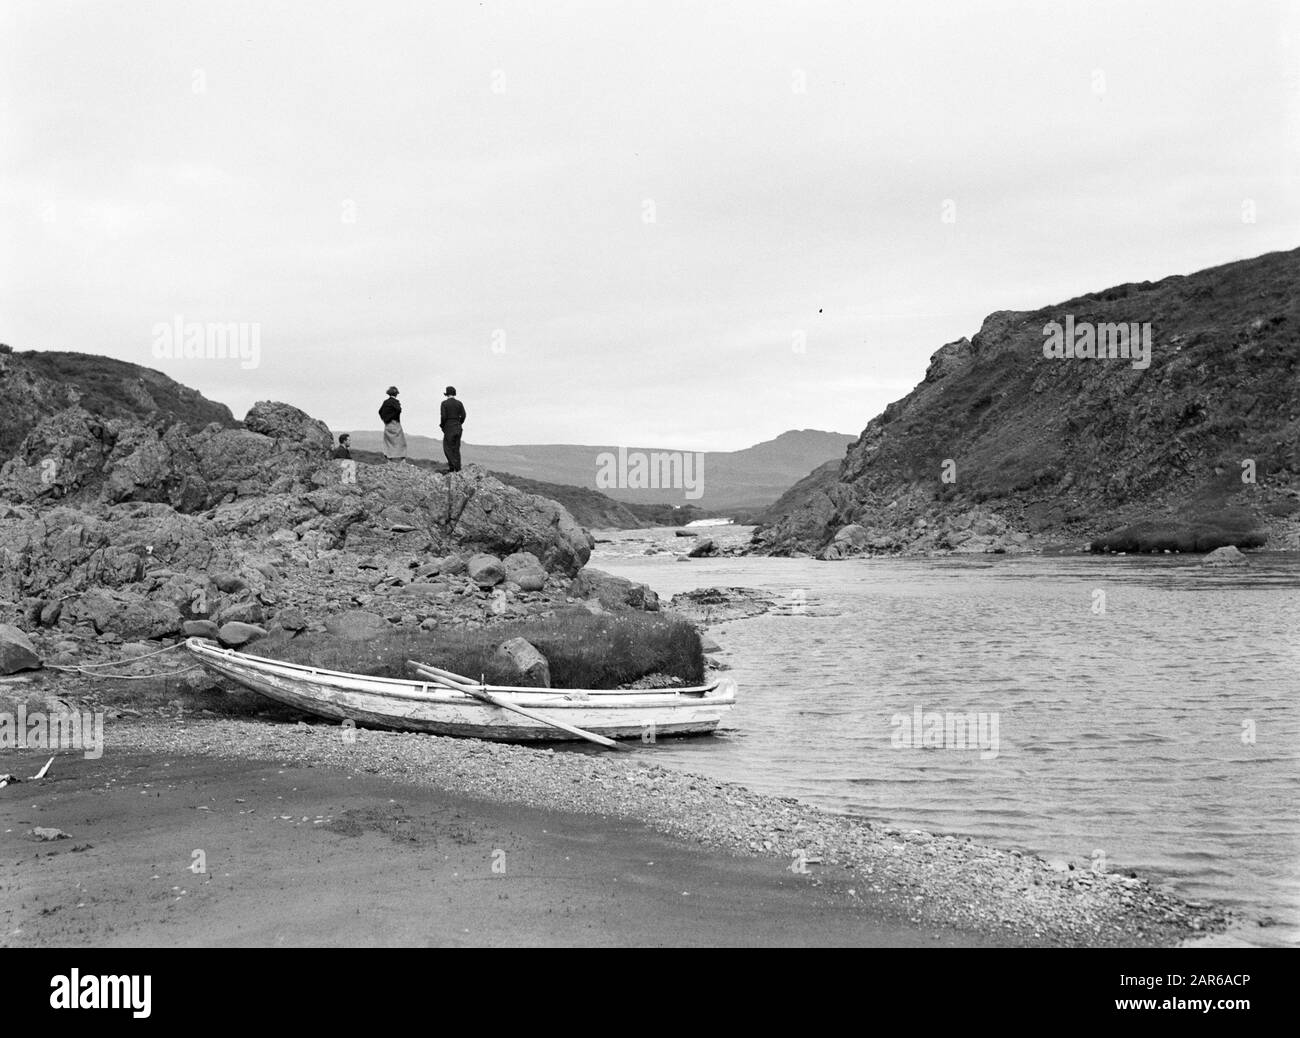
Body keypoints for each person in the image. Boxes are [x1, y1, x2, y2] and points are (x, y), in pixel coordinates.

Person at [440, 386, 466, 472]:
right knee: (456, 448)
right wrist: (459, 423)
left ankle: (452, 467)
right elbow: (464, 415)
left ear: (447, 394)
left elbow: (443, 417)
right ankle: (458, 468)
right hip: (458, 427)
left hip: (449, 427)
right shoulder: (459, 403)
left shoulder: (444, 403)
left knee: (447, 447)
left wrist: (442, 425)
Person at [379, 386, 407, 462]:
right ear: (396, 394)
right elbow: (399, 410)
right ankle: (402, 458)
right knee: (400, 441)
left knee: (388, 441)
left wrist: (385, 419)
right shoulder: (395, 402)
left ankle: (389, 458)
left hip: (387, 424)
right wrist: (392, 417)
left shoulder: (386, 402)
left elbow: (380, 411)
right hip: (395, 423)